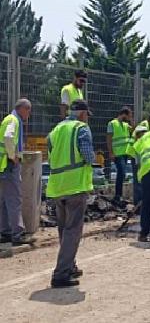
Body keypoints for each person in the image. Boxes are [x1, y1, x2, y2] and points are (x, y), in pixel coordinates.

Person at [47, 100, 94, 288]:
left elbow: (51, 154)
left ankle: (70, 265)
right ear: (82, 113)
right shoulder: (81, 129)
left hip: (57, 186)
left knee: (64, 229)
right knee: (73, 231)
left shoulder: (56, 130)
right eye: (87, 114)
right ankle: (61, 274)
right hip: (75, 186)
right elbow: (88, 156)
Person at [0, 99, 35, 246]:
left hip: (2, 166)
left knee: (3, 201)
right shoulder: (14, 120)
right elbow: (8, 137)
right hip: (8, 166)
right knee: (14, 200)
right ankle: (17, 234)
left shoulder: (8, 118)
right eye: (29, 110)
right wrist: (13, 156)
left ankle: (5, 232)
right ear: (23, 109)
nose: (29, 114)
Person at [107, 107, 133, 204]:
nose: (129, 118)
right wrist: (111, 152)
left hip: (125, 153)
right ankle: (118, 195)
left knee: (122, 174)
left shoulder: (126, 125)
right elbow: (109, 139)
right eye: (129, 116)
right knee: (121, 173)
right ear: (124, 114)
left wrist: (131, 121)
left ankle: (119, 195)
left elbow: (135, 130)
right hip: (117, 153)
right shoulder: (112, 124)